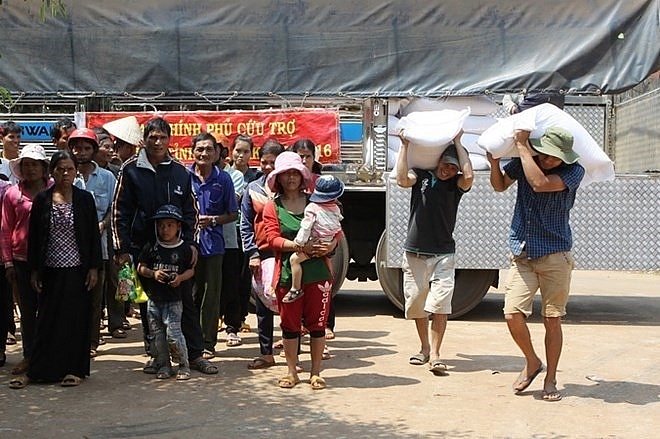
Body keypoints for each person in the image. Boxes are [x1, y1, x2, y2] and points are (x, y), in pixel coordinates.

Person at [112, 117, 217, 375]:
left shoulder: (179, 171)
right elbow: (119, 211)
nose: (157, 142)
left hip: (177, 249)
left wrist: (191, 244)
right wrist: (122, 249)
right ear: (144, 140)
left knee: (186, 303)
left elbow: (191, 211)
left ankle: (194, 355)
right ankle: (157, 357)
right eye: (152, 137)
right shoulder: (130, 169)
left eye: (162, 137)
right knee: (148, 306)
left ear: (170, 140)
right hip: (144, 249)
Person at [487, 127, 584, 402]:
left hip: (555, 256)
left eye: (555, 157)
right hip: (523, 253)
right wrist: (495, 163)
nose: (549, 160)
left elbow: (540, 184)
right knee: (511, 314)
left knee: (552, 320)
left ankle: (550, 379)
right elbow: (500, 185)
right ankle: (532, 361)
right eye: (546, 154)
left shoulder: (574, 171)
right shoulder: (525, 162)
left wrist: (521, 146)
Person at [9, 150, 101, 389]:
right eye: (60, 169)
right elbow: (35, 238)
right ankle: (40, 371)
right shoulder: (43, 199)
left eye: (70, 169)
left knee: (75, 320)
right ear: (52, 172)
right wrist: (34, 270)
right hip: (50, 269)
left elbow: (93, 235)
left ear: (75, 171)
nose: (65, 173)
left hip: (77, 270)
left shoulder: (84, 199)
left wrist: (94, 268)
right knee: (47, 320)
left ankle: (74, 370)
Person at [396, 131, 473, 375]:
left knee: (440, 304)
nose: (446, 170)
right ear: (438, 161)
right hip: (414, 252)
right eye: (445, 164)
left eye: (452, 168)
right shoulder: (421, 176)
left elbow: (469, 176)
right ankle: (424, 348)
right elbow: (401, 180)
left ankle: (437, 355)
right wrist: (404, 146)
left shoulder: (456, 187)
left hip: (443, 253)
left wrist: (458, 142)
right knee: (417, 302)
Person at [263, 151, 339, 390]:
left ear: (303, 176)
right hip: (287, 275)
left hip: (319, 274)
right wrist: (299, 247)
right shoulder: (271, 207)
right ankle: (291, 371)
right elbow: (272, 239)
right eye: (286, 174)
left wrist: (331, 245)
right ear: (278, 178)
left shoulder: (318, 202)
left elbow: (336, 230)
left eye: (295, 173)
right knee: (289, 326)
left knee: (318, 325)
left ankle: (315, 373)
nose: (291, 178)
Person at [69, 128, 120, 355]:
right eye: (77, 148)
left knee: (95, 295)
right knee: (72, 295)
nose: (81, 152)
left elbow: (114, 208)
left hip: (99, 245)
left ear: (94, 150)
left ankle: (91, 342)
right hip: (69, 246)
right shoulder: (65, 175)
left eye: (86, 148)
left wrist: (103, 223)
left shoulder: (107, 178)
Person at [1, 145, 50, 375]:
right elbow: (5, 229)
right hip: (21, 260)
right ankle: (29, 356)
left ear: (43, 167)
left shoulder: (55, 190)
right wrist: (8, 262)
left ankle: (50, 356)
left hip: (51, 259)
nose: (30, 169)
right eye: (26, 164)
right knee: (28, 312)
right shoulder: (12, 194)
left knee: (51, 309)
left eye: (35, 164)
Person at [189, 133, 238, 357]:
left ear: (217, 153)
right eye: (200, 149)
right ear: (192, 151)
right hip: (187, 244)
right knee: (190, 294)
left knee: (211, 295)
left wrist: (214, 220)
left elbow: (232, 214)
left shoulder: (224, 179)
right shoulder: (184, 176)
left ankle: (207, 343)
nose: (204, 154)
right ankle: (188, 341)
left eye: (209, 149)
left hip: (213, 245)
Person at [137, 204, 195, 380]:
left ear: (178, 226)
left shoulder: (184, 249)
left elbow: (191, 270)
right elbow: (140, 267)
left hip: (174, 301)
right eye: (161, 225)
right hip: (153, 300)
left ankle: (183, 364)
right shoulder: (151, 247)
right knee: (157, 336)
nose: (165, 229)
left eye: (170, 225)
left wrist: (180, 278)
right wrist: (153, 274)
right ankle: (163, 365)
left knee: (173, 333)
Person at [240, 139, 284, 370]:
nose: (267, 167)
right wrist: (252, 253)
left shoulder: (289, 189)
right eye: (264, 162)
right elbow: (246, 224)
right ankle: (266, 354)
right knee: (263, 306)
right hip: (262, 254)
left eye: (272, 163)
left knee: (290, 304)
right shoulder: (253, 189)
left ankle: (293, 354)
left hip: (286, 253)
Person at [290, 138, 336, 343]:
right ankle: (300, 327)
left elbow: (335, 211)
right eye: (300, 156)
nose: (304, 160)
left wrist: (332, 242)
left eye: (307, 156)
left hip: (321, 240)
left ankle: (326, 325)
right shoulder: (291, 181)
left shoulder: (320, 182)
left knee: (323, 282)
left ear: (314, 158)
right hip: (300, 240)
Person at [285, 175, 344, 304]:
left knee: (294, 260)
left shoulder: (312, 208)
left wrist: (299, 243)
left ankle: (295, 288)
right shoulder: (336, 208)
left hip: (315, 243)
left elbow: (306, 227)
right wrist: (332, 243)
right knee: (326, 261)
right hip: (328, 242)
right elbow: (338, 227)